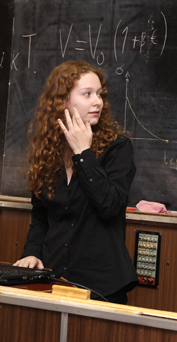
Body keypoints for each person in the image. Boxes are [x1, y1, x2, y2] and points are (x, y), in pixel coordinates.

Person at [14, 60, 138, 304]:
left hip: (102, 285)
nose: (98, 101)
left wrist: (83, 154)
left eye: (99, 94)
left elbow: (110, 206)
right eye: (87, 94)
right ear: (62, 100)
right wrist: (31, 252)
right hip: (54, 278)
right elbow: (41, 214)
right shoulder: (48, 150)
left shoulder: (118, 147)